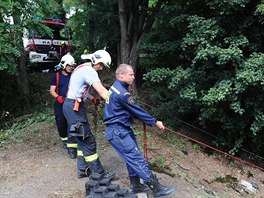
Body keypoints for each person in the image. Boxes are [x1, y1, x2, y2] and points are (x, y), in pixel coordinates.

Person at [103, 64, 177, 197]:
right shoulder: (123, 93)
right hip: (118, 131)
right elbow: (137, 110)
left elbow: (126, 110)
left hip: (122, 129)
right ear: (121, 75)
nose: (133, 77)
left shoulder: (115, 87)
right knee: (136, 158)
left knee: (132, 158)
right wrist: (155, 123)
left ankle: (136, 185)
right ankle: (157, 189)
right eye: (130, 74)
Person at [63, 49, 115, 179]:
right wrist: (117, 102)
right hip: (74, 108)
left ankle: (82, 169)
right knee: (88, 141)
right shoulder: (89, 71)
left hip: (72, 107)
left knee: (82, 139)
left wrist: (94, 100)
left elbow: (81, 90)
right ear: (96, 60)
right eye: (101, 64)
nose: (102, 68)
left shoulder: (83, 68)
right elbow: (102, 90)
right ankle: (99, 173)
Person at [50, 53, 78, 159]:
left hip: (70, 103)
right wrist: (58, 97)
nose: (71, 68)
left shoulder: (74, 76)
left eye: (72, 66)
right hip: (60, 104)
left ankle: (72, 147)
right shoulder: (56, 76)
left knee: (72, 124)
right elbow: (52, 90)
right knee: (61, 123)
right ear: (64, 65)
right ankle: (65, 141)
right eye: (69, 66)